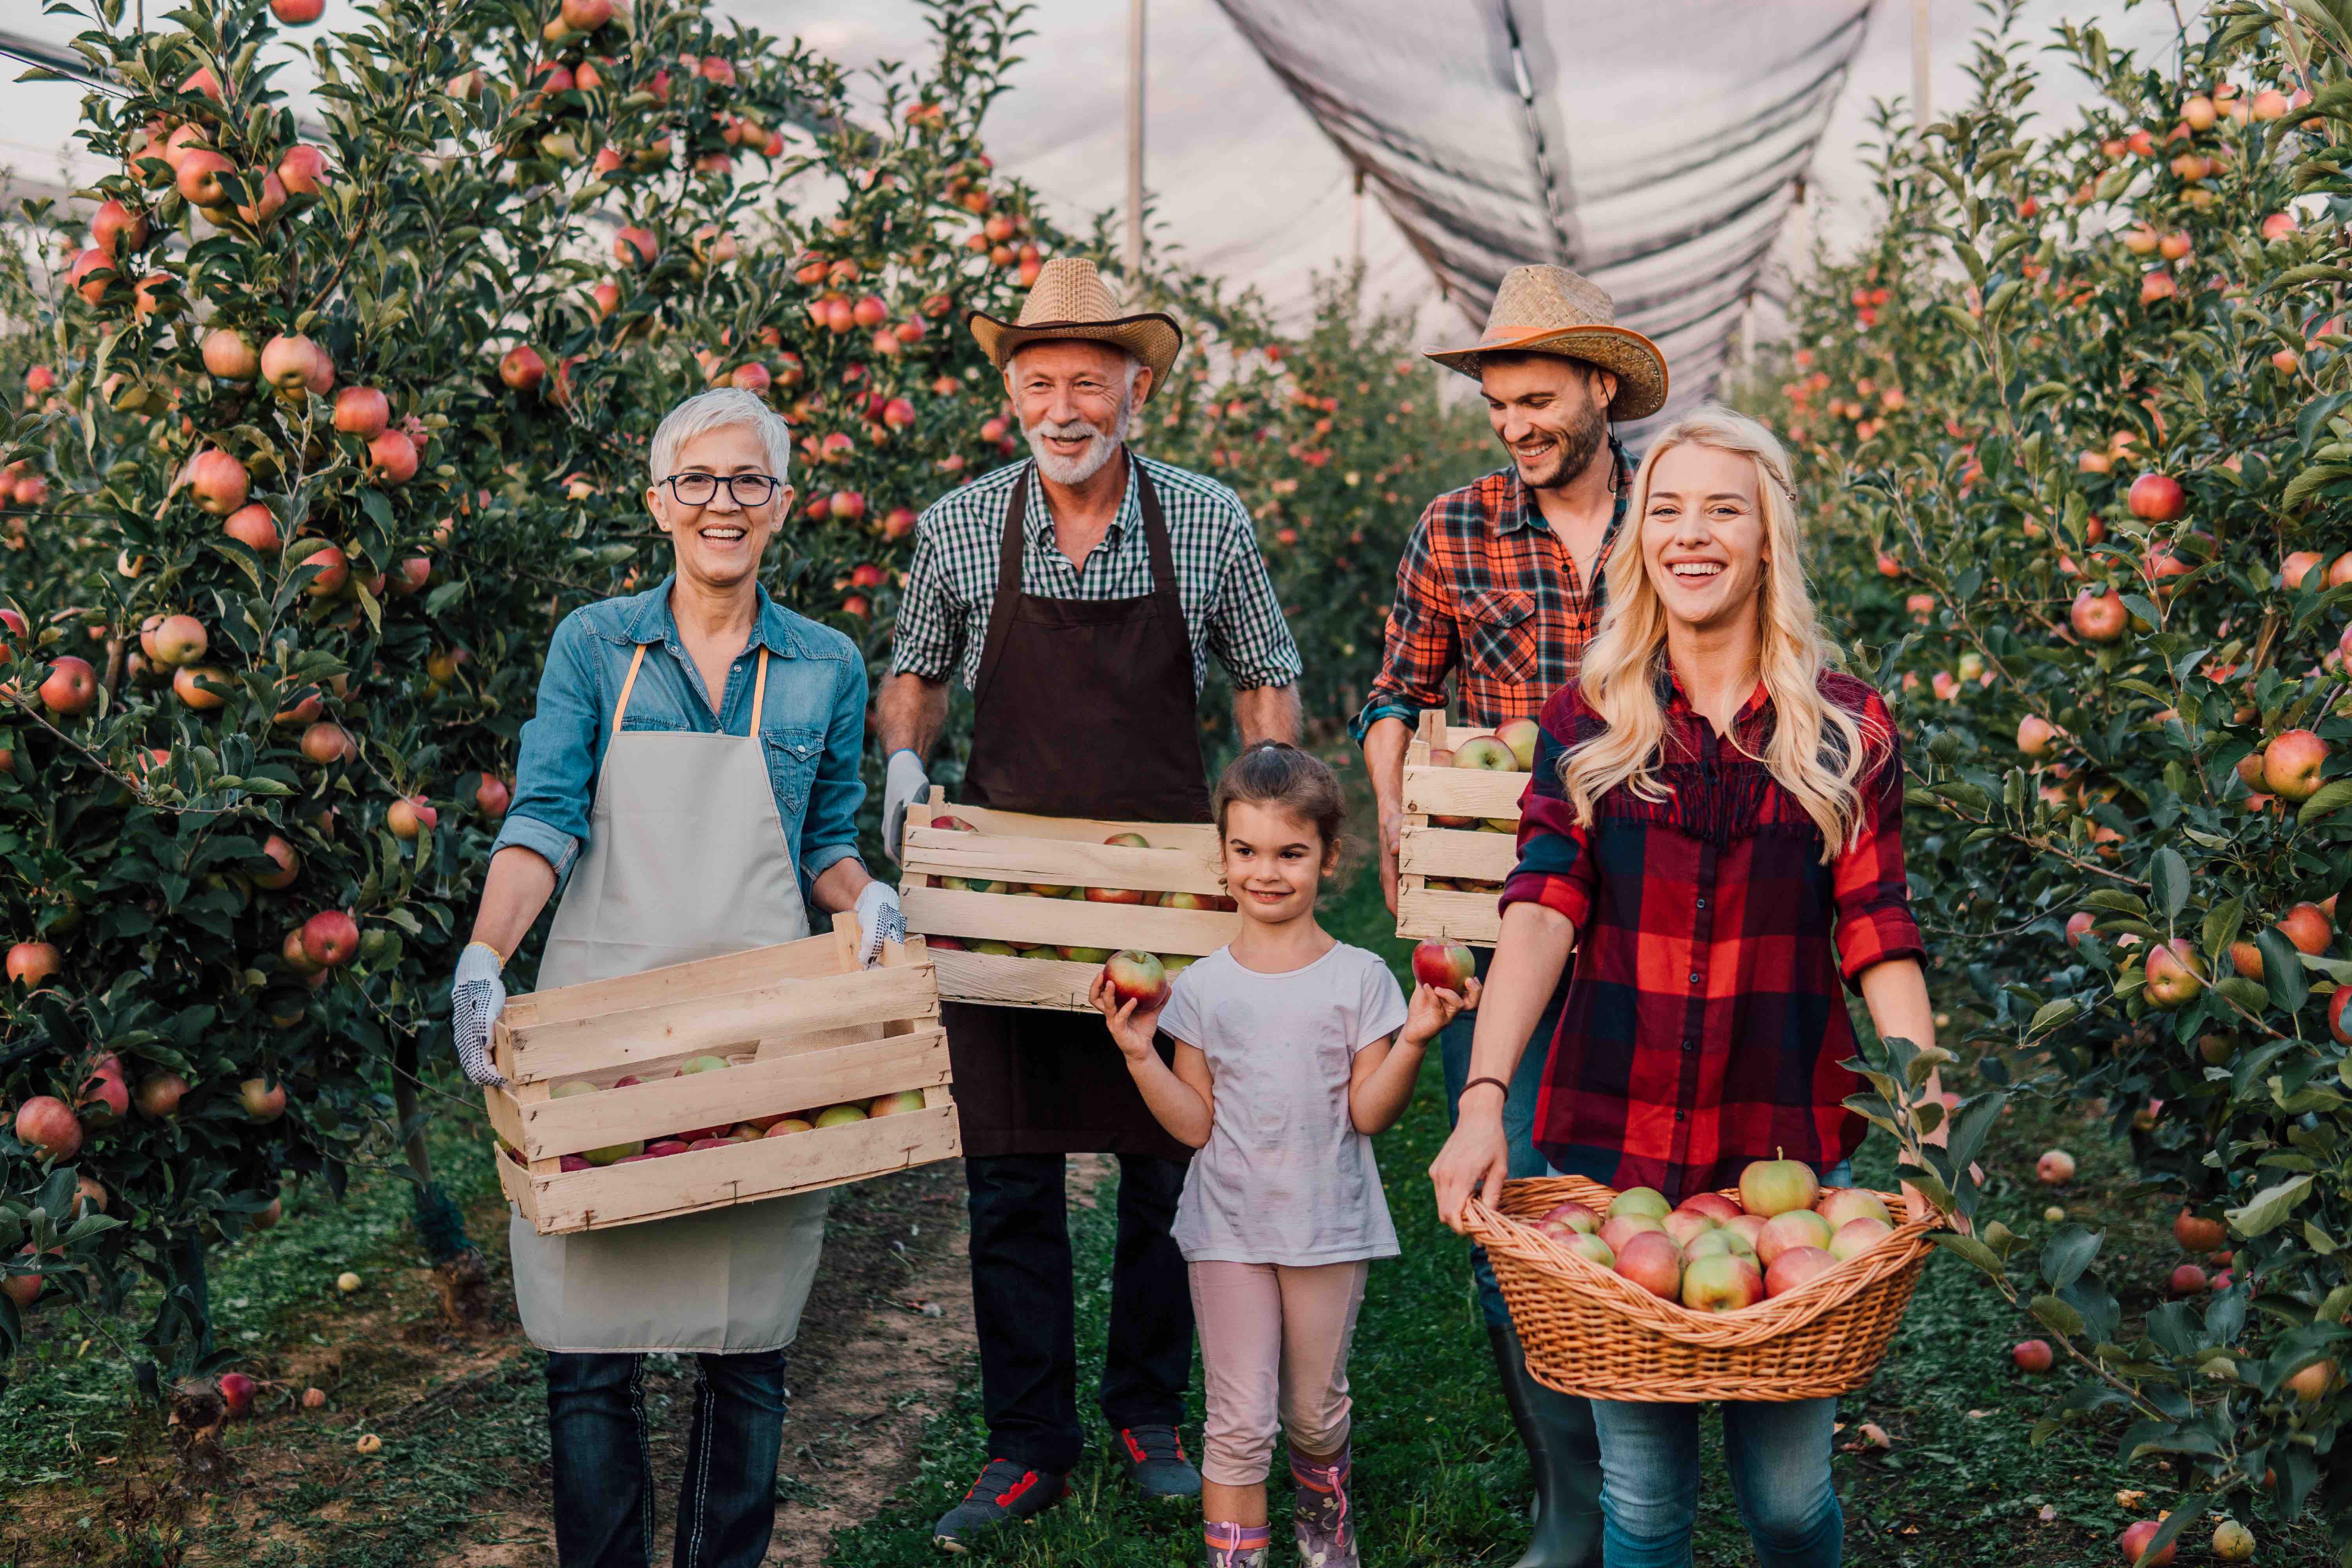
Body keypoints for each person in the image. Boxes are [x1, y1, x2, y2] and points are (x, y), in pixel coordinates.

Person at [1430, 407, 1937, 1568]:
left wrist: (1925, 1109)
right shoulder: (1590, 722)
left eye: (1724, 509)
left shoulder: (1844, 727)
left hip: (1789, 1155)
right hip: (1616, 1158)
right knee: (1646, 1511)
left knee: (1789, 1503)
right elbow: (1542, 908)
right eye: (1667, 508)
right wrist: (1481, 1095)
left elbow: (1877, 924)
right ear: (1638, 540)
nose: (1692, 534)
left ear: (1769, 539)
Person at [874, 257, 1305, 1550]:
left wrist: (1263, 813)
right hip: (1003, 896)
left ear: (1135, 393)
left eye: (1090, 381)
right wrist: (907, 767)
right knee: (1009, 1167)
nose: (1065, 406)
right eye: (1040, 381)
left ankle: (1146, 1410)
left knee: (1170, 1159)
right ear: (1012, 396)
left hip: (1158, 895)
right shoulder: (961, 526)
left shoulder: (1207, 521)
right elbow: (918, 674)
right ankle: (1026, 1442)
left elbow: (1268, 672)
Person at [446, 388, 905, 1568]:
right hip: (608, 1039)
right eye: (697, 481)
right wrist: (487, 956)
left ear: (783, 505)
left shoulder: (825, 665)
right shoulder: (596, 645)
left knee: (744, 1343)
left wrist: (873, 901)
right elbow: (545, 820)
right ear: (660, 503)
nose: (722, 504)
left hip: (757, 1037)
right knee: (589, 1352)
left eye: (747, 481)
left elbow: (824, 847)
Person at [1351, 262, 1668, 1568]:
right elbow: (1393, 696)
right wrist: (1394, 806)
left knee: (1658, 1188)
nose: (1517, 426)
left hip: (1667, 912)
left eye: (1537, 400)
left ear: (1601, 386)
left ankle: (1659, 1465)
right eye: (1499, 406)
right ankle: (1569, 1498)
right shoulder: (1456, 527)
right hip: (1507, 903)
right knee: (1510, 1183)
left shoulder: (1684, 514)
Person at [1092, 743, 1473, 1568]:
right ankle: (1238, 1557)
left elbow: (1369, 1111)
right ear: (1222, 855)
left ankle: (1323, 1510)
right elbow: (1194, 1123)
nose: (1267, 871)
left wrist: (1411, 1039)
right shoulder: (1198, 987)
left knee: (1314, 1410)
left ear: (1329, 857)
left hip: (1325, 1224)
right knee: (1237, 1419)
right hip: (1228, 1223)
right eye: (1248, 850)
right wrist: (1138, 1053)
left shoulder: (1361, 977)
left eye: (1291, 852)